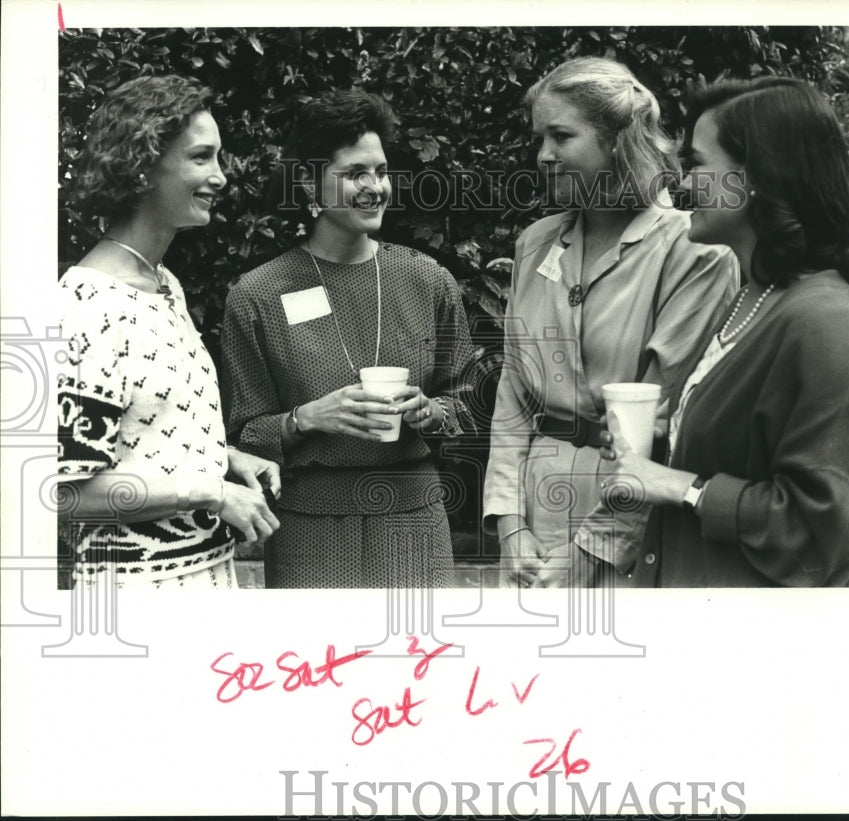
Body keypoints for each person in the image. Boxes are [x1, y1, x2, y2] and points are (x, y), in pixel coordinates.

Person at [482, 57, 740, 588]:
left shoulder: (693, 251)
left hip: (633, 525)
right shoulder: (535, 243)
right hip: (535, 512)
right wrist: (510, 528)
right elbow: (512, 392)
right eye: (540, 137)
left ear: (618, 141)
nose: (543, 155)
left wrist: (592, 552)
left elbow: (657, 420)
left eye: (561, 136)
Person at [598, 76, 849, 587]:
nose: (679, 183)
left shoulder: (824, 321)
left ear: (756, 177)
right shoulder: (753, 294)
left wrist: (680, 486)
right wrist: (668, 435)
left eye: (697, 164)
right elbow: (750, 449)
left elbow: (822, 533)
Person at [220, 90, 477, 589]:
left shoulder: (427, 280)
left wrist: (433, 411)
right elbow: (240, 434)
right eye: (355, 173)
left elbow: (470, 403)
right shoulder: (257, 296)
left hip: (414, 520)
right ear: (311, 185)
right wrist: (306, 418)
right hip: (308, 527)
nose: (375, 187)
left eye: (380, 171)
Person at [57, 74, 281, 589]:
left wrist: (224, 458)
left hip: (205, 579)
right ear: (140, 168)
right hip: (135, 594)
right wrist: (212, 491)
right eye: (201, 158)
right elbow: (69, 493)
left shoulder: (164, 285)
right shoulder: (86, 307)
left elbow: (146, 433)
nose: (221, 177)